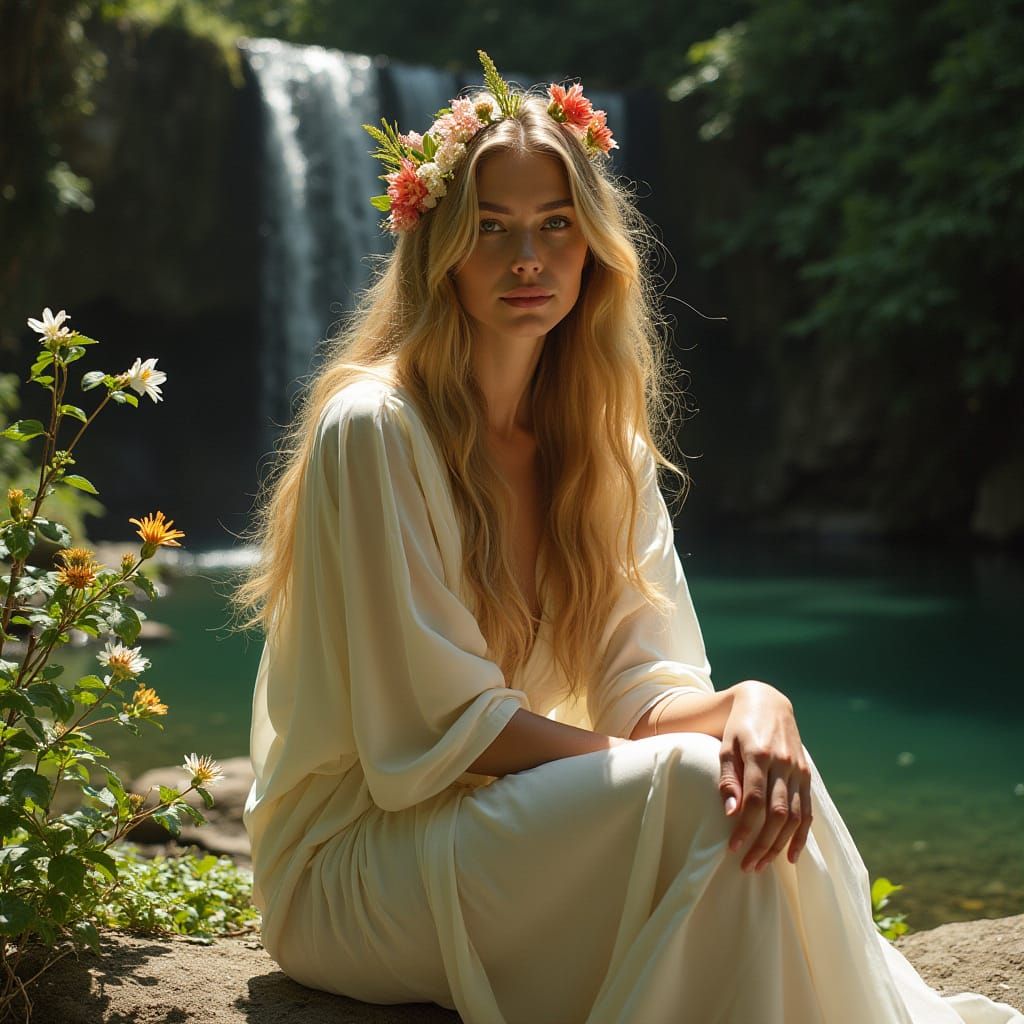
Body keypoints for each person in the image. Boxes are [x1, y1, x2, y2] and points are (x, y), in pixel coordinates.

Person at [234, 51, 1023, 1024]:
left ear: (593, 246)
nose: (528, 258)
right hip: (355, 864)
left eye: (555, 225)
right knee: (701, 788)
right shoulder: (375, 426)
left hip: (489, 830)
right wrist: (662, 763)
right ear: (437, 243)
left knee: (758, 774)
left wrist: (750, 702)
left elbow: (645, 692)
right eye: (490, 228)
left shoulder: (602, 443)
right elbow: (431, 738)